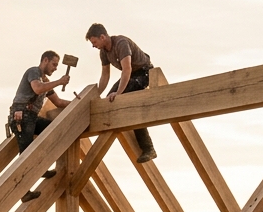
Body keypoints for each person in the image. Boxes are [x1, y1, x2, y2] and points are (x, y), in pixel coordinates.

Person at [85, 23, 156, 163]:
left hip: (144, 72)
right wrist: (97, 94)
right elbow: (105, 75)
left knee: (125, 101)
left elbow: (127, 69)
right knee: (108, 101)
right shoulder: (103, 52)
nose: (93, 45)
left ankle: (149, 148)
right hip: (130, 75)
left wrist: (118, 93)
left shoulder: (121, 43)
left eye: (94, 42)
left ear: (102, 36)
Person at [9, 50, 71, 202]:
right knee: (26, 155)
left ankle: (40, 168)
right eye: (54, 64)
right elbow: (37, 88)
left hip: (32, 118)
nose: (55, 68)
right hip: (22, 116)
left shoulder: (45, 81)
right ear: (45, 60)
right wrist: (60, 82)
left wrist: (78, 103)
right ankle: (23, 193)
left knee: (54, 131)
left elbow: (59, 102)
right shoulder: (34, 72)